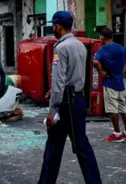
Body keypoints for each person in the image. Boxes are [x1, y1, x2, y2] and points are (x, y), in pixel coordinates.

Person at [39, 11, 102, 184]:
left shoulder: (61, 47)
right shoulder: (80, 45)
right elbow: (77, 76)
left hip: (65, 105)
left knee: (53, 147)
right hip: (78, 101)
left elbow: (59, 80)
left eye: (54, 25)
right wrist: (56, 92)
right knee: (83, 147)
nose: (53, 28)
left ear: (58, 26)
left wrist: (52, 110)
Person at [93, 27, 126, 143]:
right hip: (120, 84)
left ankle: (117, 134)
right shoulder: (121, 48)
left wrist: (101, 71)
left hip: (110, 83)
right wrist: (125, 68)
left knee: (112, 110)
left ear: (102, 37)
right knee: (123, 109)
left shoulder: (103, 49)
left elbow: (95, 61)